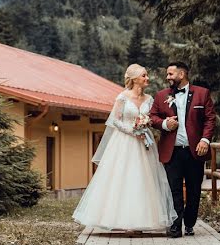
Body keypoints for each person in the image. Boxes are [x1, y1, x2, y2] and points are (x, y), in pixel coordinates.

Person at [72, 64, 177, 233]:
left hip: (144, 143)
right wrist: (132, 131)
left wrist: (146, 125)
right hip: (124, 141)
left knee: (144, 179)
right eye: (144, 75)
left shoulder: (150, 99)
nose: (147, 78)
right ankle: (119, 219)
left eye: (147, 75)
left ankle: (142, 219)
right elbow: (114, 120)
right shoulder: (122, 97)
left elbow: (152, 118)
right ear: (135, 79)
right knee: (123, 177)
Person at [149, 61, 216, 238]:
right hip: (172, 151)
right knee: (174, 189)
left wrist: (205, 140)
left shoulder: (203, 93)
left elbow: (210, 119)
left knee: (194, 190)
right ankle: (175, 226)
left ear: (182, 74)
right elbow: (152, 117)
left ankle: (190, 223)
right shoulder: (161, 95)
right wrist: (164, 123)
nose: (167, 77)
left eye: (170, 74)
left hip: (195, 151)